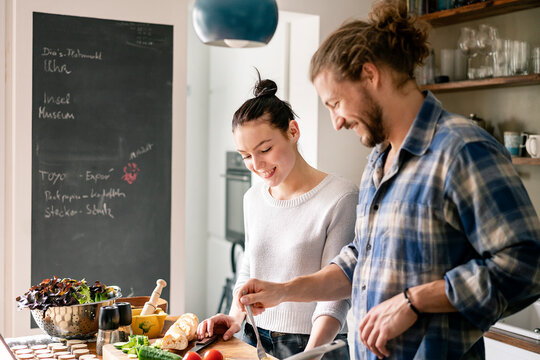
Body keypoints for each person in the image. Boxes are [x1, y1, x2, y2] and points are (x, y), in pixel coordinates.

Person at [236, 1, 540, 359]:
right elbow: (356, 261)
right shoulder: (379, 160)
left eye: (335, 103)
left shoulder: (462, 148)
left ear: (370, 74)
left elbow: (526, 264)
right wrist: (284, 291)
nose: (336, 121)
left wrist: (415, 301)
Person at [196, 73, 359, 359]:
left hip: (314, 344)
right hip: (254, 337)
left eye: (265, 149)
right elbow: (249, 266)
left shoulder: (340, 197)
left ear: (293, 131)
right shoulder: (253, 199)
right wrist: (236, 317)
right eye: (246, 155)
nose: (256, 165)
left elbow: (337, 292)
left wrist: (311, 354)